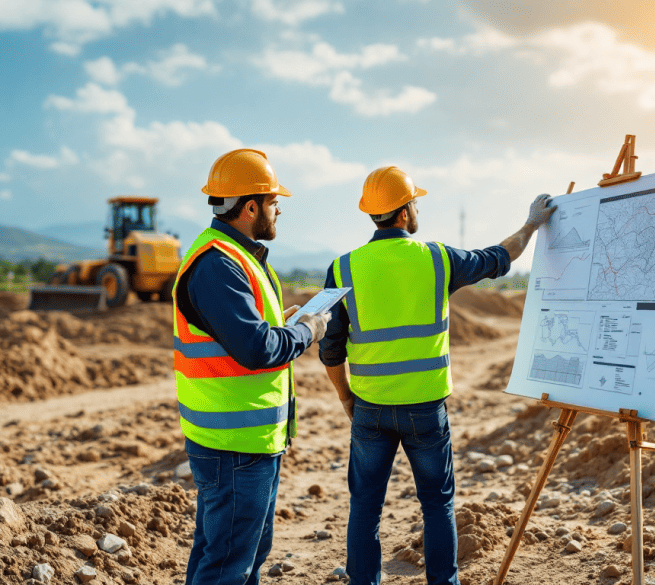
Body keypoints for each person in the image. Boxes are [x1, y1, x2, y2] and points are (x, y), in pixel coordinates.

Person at [319, 166, 556, 585]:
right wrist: (533, 223)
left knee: (365, 509)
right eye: (415, 203)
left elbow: (330, 348)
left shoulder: (343, 268)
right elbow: (502, 257)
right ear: (406, 212)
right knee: (437, 506)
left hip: (370, 409)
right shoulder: (437, 259)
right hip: (426, 411)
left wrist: (346, 398)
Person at [173, 148, 331, 585]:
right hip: (235, 445)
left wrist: (284, 324)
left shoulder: (232, 257)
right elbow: (256, 349)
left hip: (244, 442)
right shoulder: (218, 265)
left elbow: (241, 335)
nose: (278, 209)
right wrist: (309, 330)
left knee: (230, 554)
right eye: (273, 202)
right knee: (228, 566)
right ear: (250, 207)